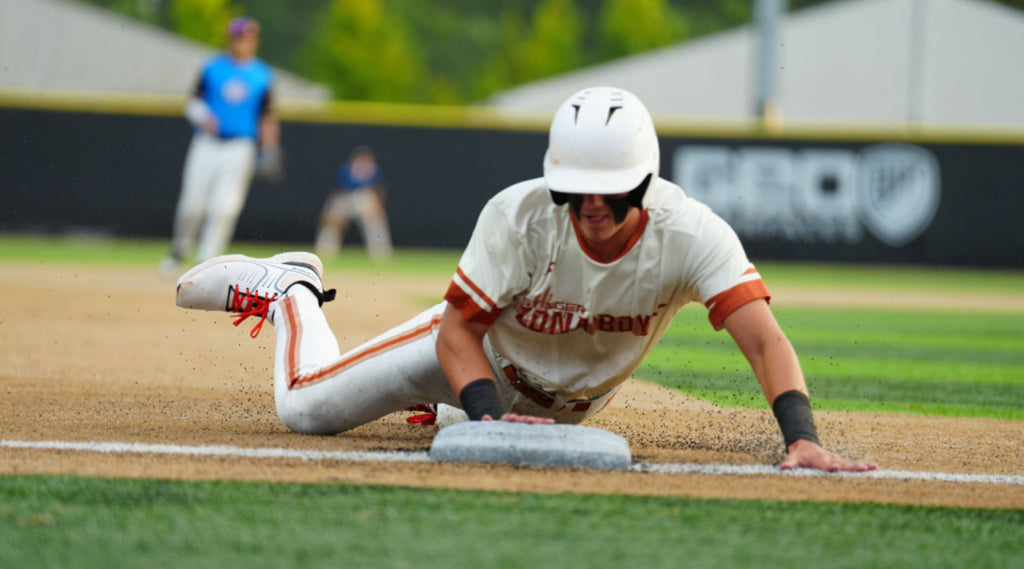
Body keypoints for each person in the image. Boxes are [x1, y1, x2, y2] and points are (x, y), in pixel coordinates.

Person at [175, 87, 877, 472]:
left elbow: (764, 340)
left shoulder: (691, 233)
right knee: (305, 410)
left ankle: (447, 411)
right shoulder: (519, 215)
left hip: (565, 404)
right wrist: (487, 418)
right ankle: (292, 291)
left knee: (465, 419)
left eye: (610, 187)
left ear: (644, 181)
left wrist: (801, 436)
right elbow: (458, 332)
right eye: (576, 185)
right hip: (468, 356)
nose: (591, 204)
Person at [160, 16, 282, 277]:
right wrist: (203, 116)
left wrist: (270, 149)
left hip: (240, 146)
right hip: (207, 143)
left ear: (254, 41)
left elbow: (267, 116)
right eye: (237, 38)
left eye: (246, 38)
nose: (241, 43)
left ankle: (206, 263)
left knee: (224, 208)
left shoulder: (262, 75)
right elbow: (193, 102)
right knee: (191, 206)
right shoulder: (213, 68)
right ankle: (178, 251)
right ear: (230, 40)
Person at [314, 145, 393, 260]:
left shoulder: (374, 170)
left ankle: (381, 254)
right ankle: (325, 252)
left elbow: (378, 188)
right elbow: (337, 188)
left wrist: (379, 206)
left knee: (375, 223)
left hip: (365, 196)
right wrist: (331, 207)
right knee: (332, 224)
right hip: (345, 197)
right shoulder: (345, 169)